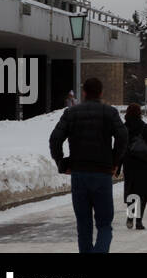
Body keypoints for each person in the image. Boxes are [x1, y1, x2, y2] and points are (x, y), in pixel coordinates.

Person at [48, 77, 127, 254]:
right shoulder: (110, 113)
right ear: (101, 93)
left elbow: (55, 139)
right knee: (105, 224)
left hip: (79, 174)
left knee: (83, 225)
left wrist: (62, 163)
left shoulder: (71, 113)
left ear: (83, 92)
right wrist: (115, 161)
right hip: (102, 174)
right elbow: (123, 137)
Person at [118, 103, 147, 231]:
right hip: (144, 164)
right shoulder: (145, 127)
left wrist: (117, 167)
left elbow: (119, 149)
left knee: (131, 191)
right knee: (143, 193)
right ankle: (139, 222)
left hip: (129, 164)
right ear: (139, 113)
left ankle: (130, 218)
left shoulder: (123, 128)